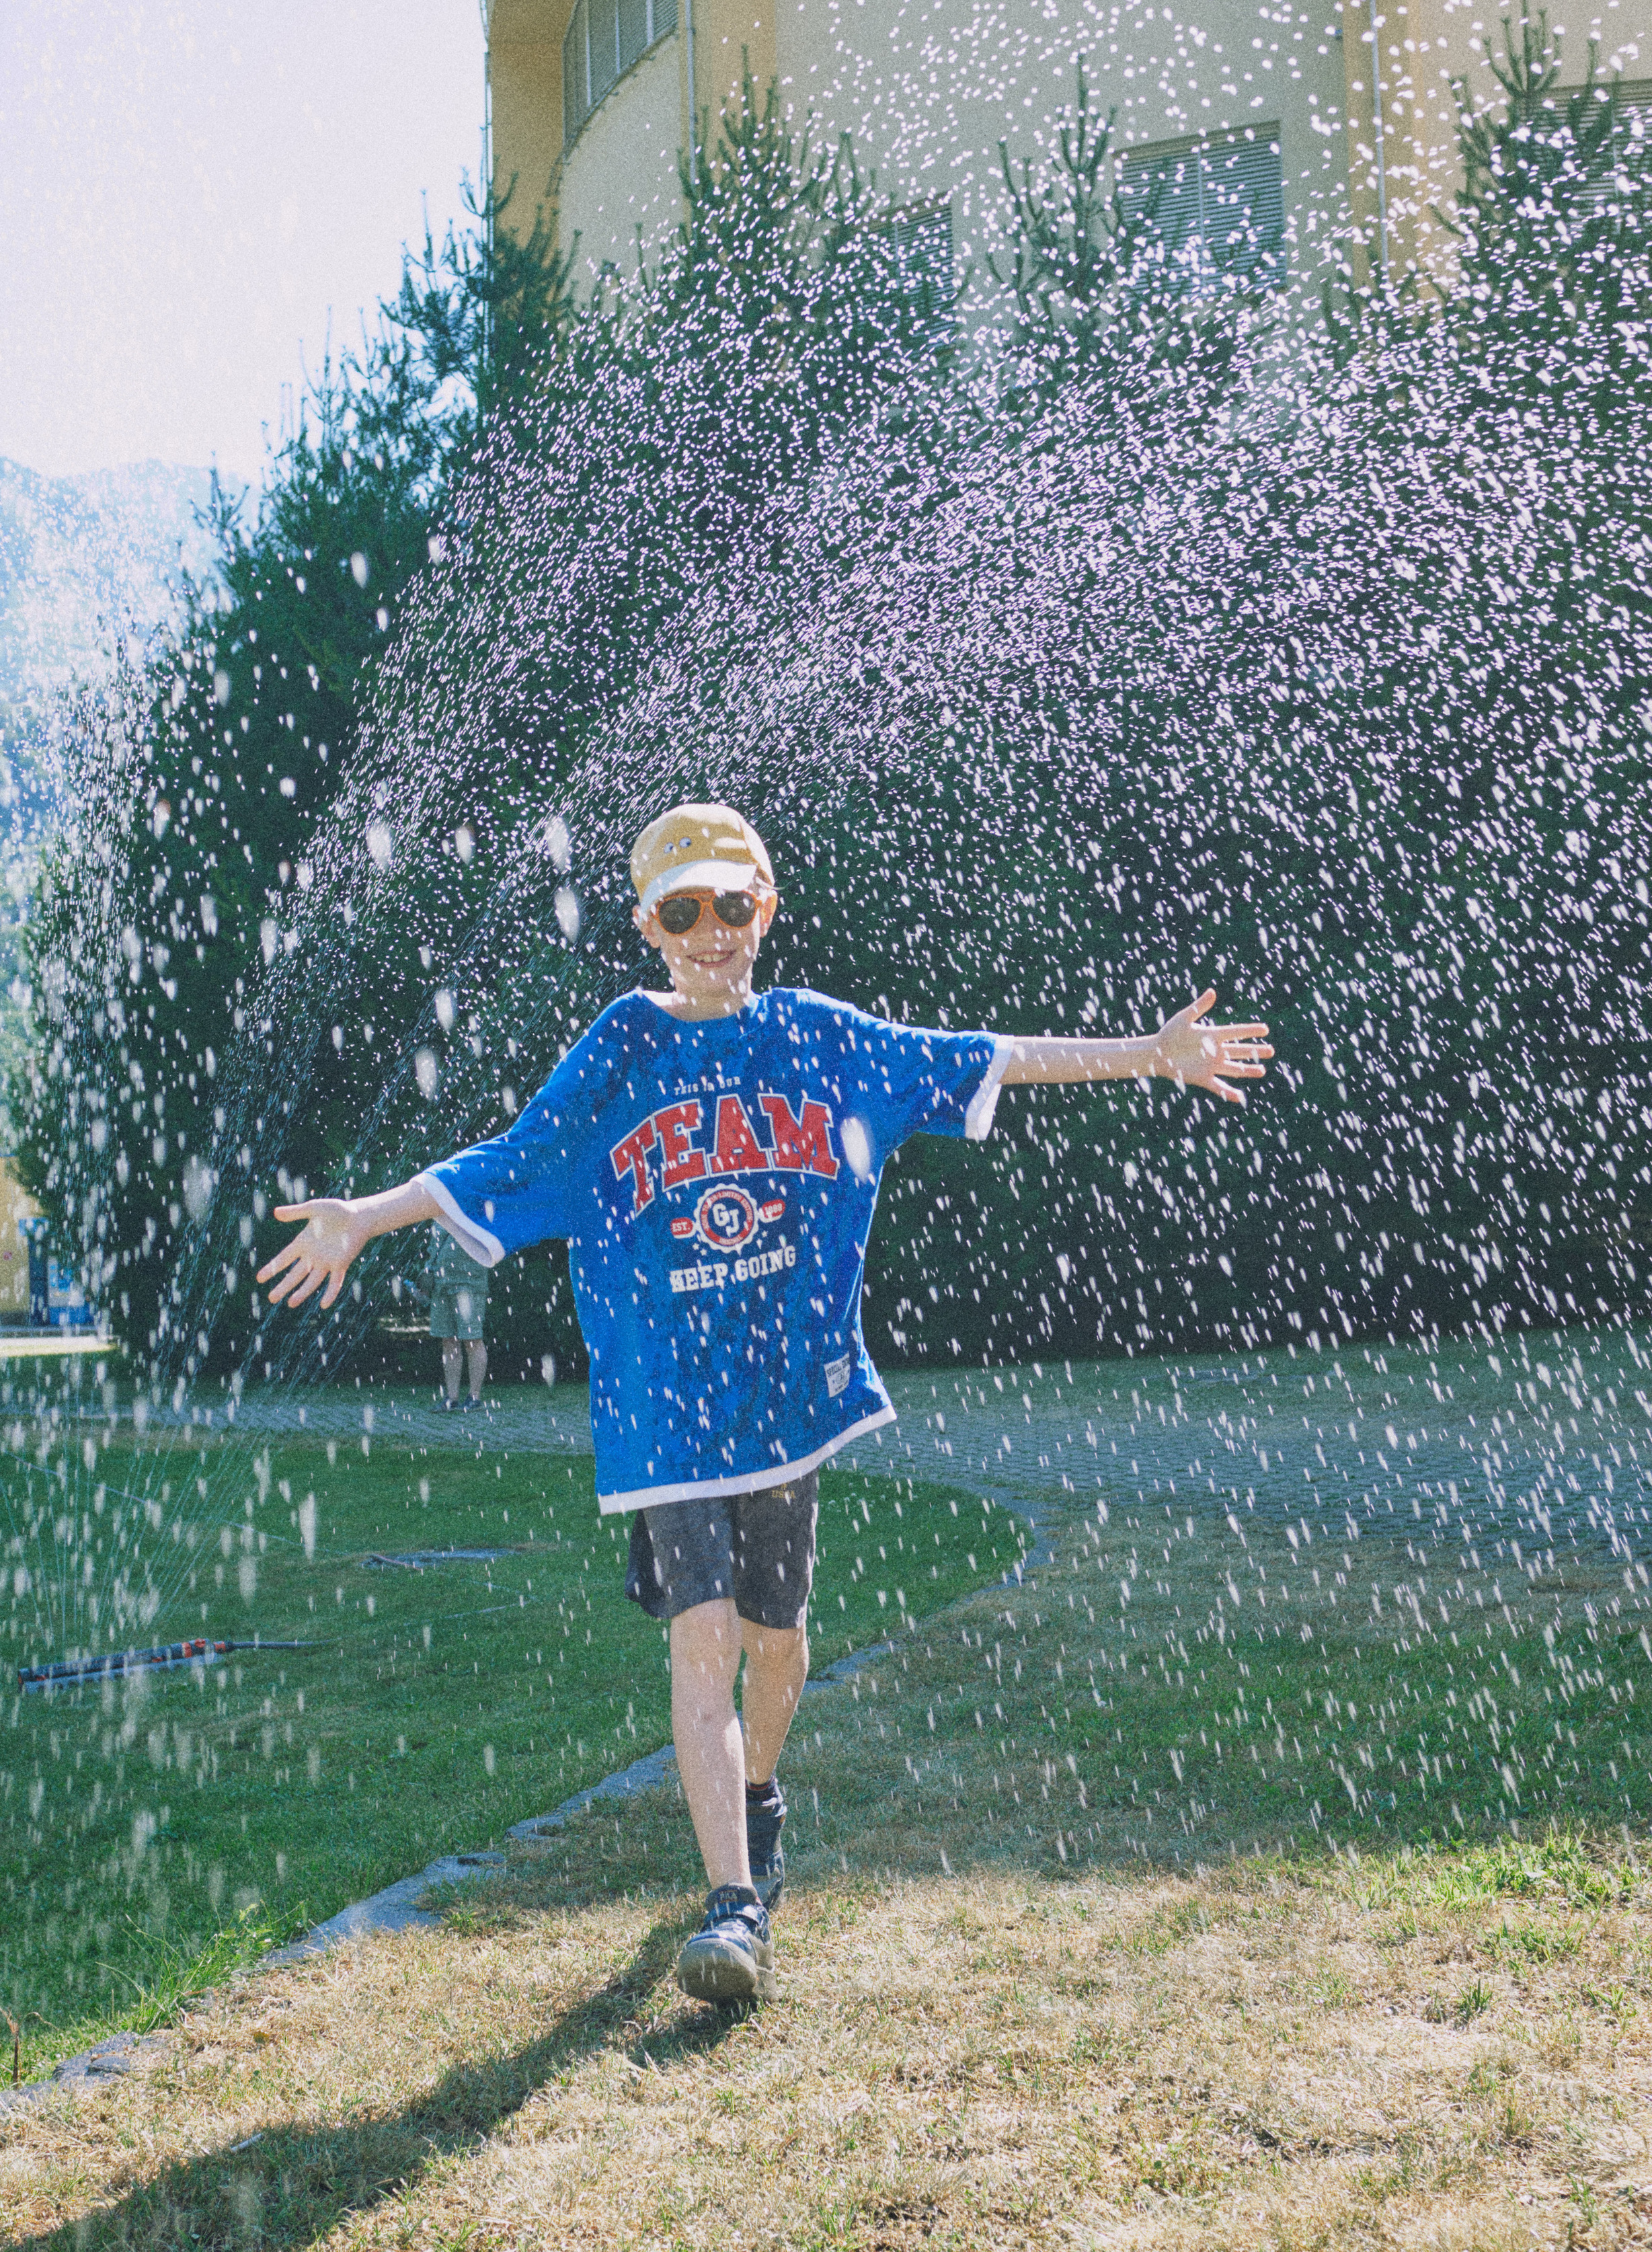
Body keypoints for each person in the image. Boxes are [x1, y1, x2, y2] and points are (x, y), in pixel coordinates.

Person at [259, 803, 1271, 2005]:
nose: (711, 931)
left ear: (766, 906)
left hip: (787, 1405)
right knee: (705, 1645)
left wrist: (1149, 1055)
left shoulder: (818, 1039)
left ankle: (757, 1797)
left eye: (731, 904)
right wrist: (367, 1217)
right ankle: (733, 1909)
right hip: (667, 1415)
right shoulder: (623, 1048)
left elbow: (981, 1055)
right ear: (647, 926)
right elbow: (508, 1160)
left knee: (777, 1644)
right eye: (683, 911)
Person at [424, 1221, 490, 1411]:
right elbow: (433, 1248)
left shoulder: (474, 1209)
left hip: (469, 1283)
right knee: (448, 1340)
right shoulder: (440, 1213)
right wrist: (428, 1271)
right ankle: (451, 1397)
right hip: (441, 1283)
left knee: (472, 1340)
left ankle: (474, 1397)